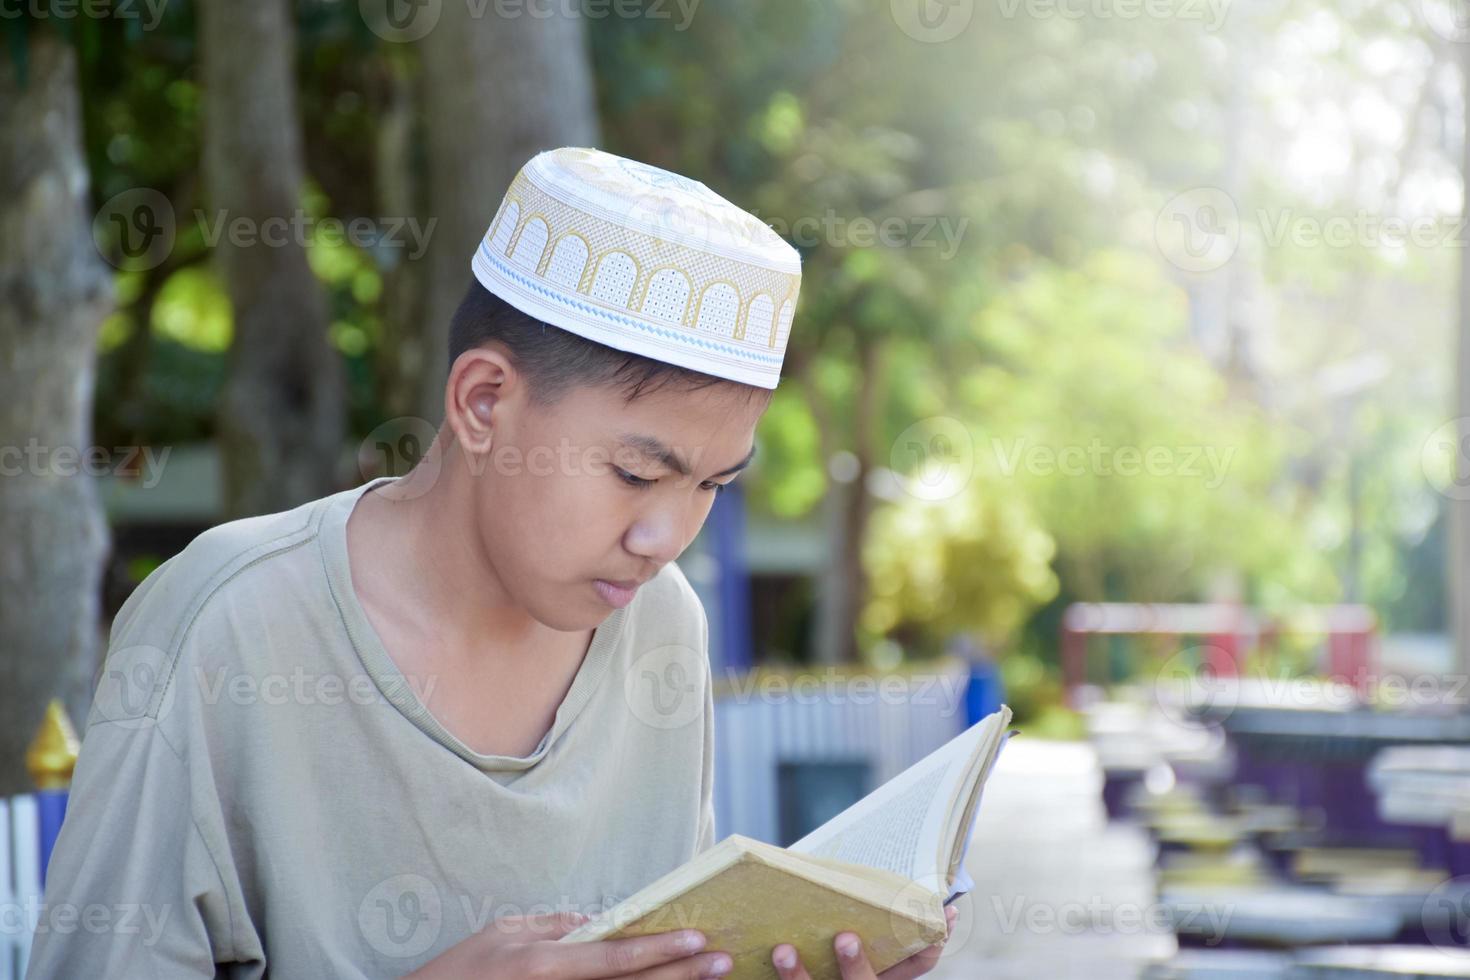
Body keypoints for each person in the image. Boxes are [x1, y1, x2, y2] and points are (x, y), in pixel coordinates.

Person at [26, 147, 955, 979]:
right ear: (481, 403)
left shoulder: (663, 621)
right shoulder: (225, 621)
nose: (667, 538)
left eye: (713, 484)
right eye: (636, 473)